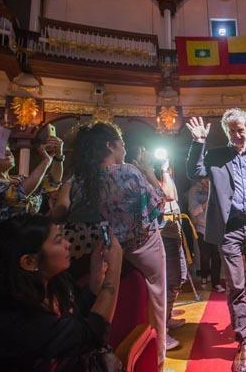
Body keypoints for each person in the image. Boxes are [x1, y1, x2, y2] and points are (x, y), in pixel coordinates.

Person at [52, 122, 168, 370]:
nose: (124, 149)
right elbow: (159, 206)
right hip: (142, 247)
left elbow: (62, 212)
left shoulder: (80, 178)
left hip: (103, 252)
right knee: (157, 296)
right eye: (122, 144)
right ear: (110, 145)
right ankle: (157, 358)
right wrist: (147, 171)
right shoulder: (128, 172)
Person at [186, 109, 246, 372]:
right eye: (231, 131)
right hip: (230, 229)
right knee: (235, 285)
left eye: (240, 129)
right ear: (226, 131)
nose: (236, 135)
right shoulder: (215, 156)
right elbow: (193, 172)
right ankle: (244, 342)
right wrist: (199, 141)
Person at [0, 214, 123, 371]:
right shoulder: (18, 322)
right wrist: (115, 267)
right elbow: (92, 334)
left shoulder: (55, 280)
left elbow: (76, 317)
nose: (67, 243)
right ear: (29, 262)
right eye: (58, 240)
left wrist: (95, 281)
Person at [0, 137, 63, 237]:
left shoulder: (20, 179)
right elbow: (18, 194)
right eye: (1, 151)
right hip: (1, 243)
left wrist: (58, 157)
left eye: (9, 150)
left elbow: (52, 183)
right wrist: (46, 161)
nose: (9, 153)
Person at [152, 153, 187, 350]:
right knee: (170, 281)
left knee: (178, 278)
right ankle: (162, 331)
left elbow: (174, 196)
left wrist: (167, 172)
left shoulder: (166, 177)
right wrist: (164, 170)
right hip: (163, 235)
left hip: (173, 233)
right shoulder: (149, 177)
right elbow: (169, 195)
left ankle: (167, 317)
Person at [188, 177, 224, 293]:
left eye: (207, 179)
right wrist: (207, 202)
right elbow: (194, 210)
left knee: (216, 256)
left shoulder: (216, 188)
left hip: (216, 228)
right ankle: (204, 277)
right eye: (203, 179)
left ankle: (216, 282)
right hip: (202, 228)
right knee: (204, 256)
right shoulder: (194, 191)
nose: (205, 182)